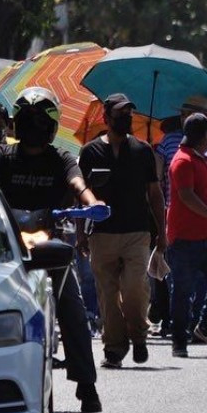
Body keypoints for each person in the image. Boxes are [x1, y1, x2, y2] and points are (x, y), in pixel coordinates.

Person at [0, 87, 102, 413]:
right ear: (16, 124)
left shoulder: (61, 159)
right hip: (6, 248)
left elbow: (78, 184)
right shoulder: (1, 157)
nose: (34, 125)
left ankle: (87, 385)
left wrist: (93, 204)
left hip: (48, 244)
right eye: (28, 119)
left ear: (51, 127)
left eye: (40, 119)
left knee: (73, 309)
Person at [79, 94, 166, 368]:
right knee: (107, 293)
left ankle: (138, 336)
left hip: (137, 232)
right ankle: (114, 348)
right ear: (106, 118)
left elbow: (155, 194)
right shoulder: (90, 152)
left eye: (129, 114)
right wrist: (81, 232)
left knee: (134, 288)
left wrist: (162, 232)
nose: (125, 119)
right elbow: (80, 195)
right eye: (119, 115)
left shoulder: (143, 151)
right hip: (101, 233)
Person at [165, 113, 207, 358]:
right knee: (182, 291)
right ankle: (179, 340)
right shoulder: (182, 161)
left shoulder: (205, 160)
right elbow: (186, 196)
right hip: (185, 240)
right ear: (203, 136)